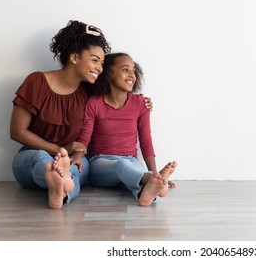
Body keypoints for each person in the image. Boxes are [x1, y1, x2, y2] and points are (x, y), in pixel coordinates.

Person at [9, 20, 152, 209]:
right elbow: (17, 132)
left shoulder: (90, 92)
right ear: (75, 57)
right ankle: (59, 178)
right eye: (94, 60)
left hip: (72, 156)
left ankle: (62, 190)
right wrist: (59, 150)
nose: (99, 68)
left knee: (77, 168)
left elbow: (116, 99)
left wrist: (142, 102)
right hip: (31, 156)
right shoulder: (37, 82)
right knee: (42, 160)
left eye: (101, 63)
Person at [74, 52, 177, 206]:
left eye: (133, 70)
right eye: (125, 69)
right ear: (108, 73)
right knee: (122, 167)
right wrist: (77, 155)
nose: (131, 75)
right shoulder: (94, 103)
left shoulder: (141, 104)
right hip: (101, 162)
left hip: (131, 160)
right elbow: (85, 137)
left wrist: (154, 171)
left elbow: (146, 141)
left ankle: (147, 191)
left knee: (129, 172)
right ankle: (150, 179)